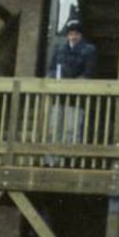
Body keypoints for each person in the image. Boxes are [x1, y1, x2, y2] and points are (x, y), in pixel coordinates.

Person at [45, 21, 96, 166]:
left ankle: (70, 161)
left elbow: (89, 73)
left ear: (81, 35)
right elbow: (51, 69)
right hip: (58, 97)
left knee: (71, 130)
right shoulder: (60, 49)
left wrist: (73, 84)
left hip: (76, 99)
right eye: (70, 34)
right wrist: (53, 79)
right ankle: (52, 161)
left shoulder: (89, 50)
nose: (73, 37)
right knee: (54, 128)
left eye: (76, 34)